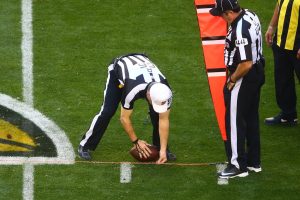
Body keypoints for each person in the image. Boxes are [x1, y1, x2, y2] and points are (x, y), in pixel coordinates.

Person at [78, 53, 176, 164]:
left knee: (157, 115)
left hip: (140, 69)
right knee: (107, 111)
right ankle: (85, 145)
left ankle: (161, 148)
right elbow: (124, 118)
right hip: (119, 72)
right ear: (148, 95)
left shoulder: (165, 91)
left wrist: (163, 150)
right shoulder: (132, 90)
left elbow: (164, 119)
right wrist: (136, 141)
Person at [210, 0, 265, 178]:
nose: (221, 18)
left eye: (221, 14)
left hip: (243, 76)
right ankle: (253, 162)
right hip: (257, 72)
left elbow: (246, 63)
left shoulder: (239, 29)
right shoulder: (250, 14)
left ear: (228, 12)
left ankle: (237, 165)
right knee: (250, 117)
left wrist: (232, 80)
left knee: (234, 120)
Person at [264, 0, 300, 126]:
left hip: (297, 45)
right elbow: (280, 4)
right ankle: (288, 115)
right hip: (281, 43)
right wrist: (271, 27)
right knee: (283, 81)